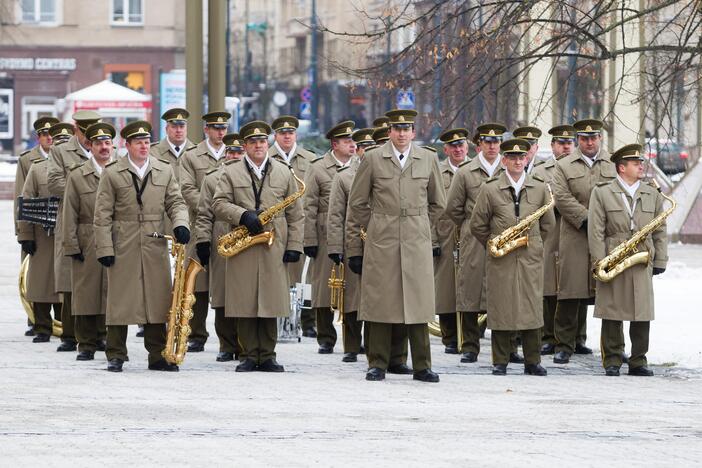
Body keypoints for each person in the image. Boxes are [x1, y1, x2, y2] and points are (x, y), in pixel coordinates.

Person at [346, 109, 446, 383]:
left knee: (418, 302)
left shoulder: (427, 158)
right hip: (383, 238)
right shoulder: (374, 158)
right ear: (389, 131)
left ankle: (422, 365)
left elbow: (439, 203)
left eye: (407, 129)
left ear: (414, 132)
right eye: (397, 129)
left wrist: (422, 226)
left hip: (416, 239)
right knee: (381, 301)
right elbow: (357, 203)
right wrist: (369, 231)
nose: (402, 134)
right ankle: (376, 363)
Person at [94, 120, 190, 373]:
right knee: (119, 299)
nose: (144, 146)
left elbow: (177, 202)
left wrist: (181, 224)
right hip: (123, 239)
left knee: (157, 299)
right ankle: (116, 354)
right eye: (139, 142)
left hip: (153, 239)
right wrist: (104, 248)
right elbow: (102, 215)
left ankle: (158, 355)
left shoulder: (164, 170)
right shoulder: (113, 172)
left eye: (147, 142)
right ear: (127, 145)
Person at [212, 121, 304, 372]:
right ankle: (249, 354)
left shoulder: (284, 172)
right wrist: (242, 215)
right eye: (252, 143)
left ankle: (268, 354)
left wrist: (295, 244)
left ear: (268, 143)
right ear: (245, 146)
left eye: (262, 142)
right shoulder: (230, 172)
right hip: (242, 243)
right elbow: (218, 203)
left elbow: (296, 214)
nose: (258, 146)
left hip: (273, 243)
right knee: (245, 300)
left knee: (271, 300)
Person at [469, 138, 555, 375]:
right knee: (501, 307)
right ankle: (500, 360)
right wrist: (497, 244)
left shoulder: (539, 187)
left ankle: (532, 361)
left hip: (530, 257)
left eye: (522, 157)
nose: (518, 161)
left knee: (532, 307)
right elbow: (478, 225)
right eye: (513, 158)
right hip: (501, 258)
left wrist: (534, 245)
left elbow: (548, 225)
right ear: (504, 160)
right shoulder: (490, 188)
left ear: (527, 159)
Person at [588, 143, 668, 377]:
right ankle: (612, 360)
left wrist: (660, 259)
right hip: (614, 254)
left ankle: (638, 360)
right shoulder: (602, 192)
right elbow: (596, 231)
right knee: (612, 310)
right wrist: (600, 261)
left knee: (641, 311)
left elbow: (660, 230)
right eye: (636, 163)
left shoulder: (652, 193)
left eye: (641, 162)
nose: (641, 166)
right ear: (622, 167)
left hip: (642, 256)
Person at [446, 123, 523, 364]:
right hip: (474, 237)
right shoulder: (466, 172)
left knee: (506, 291)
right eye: (487, 142)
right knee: (470, 290)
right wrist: (470, 225)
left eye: (496, 142)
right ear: (479, 144)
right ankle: (470, 345)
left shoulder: (508, 169)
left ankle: (509, 347)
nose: (492, 146)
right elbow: (453, 208)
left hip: (506, 236)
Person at [551, 119, 616, 364]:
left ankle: (610, 348)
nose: (590, 142)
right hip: (576, 233)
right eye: (585, 138)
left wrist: (603, 220)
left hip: (606, 235)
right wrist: (587, 219)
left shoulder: (612, 163)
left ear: (600, 138)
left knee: (609, 293)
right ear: (578, 139)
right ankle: (564, 344)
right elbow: (561, 197)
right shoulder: (564, 165)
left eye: (594, 137)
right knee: (570, 291)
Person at [48, 110, 102, 352]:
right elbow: (54, 183)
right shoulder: (61, 151)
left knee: (103, 279)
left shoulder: (107, 150)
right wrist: (83, 191)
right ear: (76, 130)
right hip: (74, 219)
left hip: (101, 222)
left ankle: (101, 333)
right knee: (72, 279)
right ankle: (69, 335)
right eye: (84, 132)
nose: (90, 139)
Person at [62, 122, 116, 361]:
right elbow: (69, 213)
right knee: (85, 291)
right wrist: (71, 245)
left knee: (111, 290)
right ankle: (85, 343)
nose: (104, 147)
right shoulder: (78, 175)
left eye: (107, 143)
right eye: (98, 143)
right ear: (90, 146)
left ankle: (105, 335)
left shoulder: (120, 171)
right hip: (86, 237)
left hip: (115, 238)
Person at [179, 111, 231, 353]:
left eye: (224, 128)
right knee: (197, 281)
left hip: (226, 225)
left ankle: (226, 340)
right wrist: (211, 203)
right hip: (199, 222)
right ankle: (196, 333)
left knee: (223, 284)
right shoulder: (191, 156)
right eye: (215, 128)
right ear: (206, 130)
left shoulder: (235, 152)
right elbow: (186, 188)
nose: (221, 132)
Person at [303, 120, 357, 354]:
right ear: (335, 144)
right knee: (324, 289)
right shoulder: (318, 168)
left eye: (353, 141)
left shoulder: (360, 166)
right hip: (325, 234)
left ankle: (353, 339)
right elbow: (309, 206)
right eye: (347, 142)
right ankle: (326, 337)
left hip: (353, 232)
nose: (352, 145)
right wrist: (309, 240)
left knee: (353, 288)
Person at [325, 127, 375, 363]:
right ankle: (352, 346)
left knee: (376, 297)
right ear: (357, 149)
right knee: (352, 299)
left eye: (371, 147)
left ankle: (375, 343)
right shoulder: (344, 176)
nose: (366, 151)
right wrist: (336, 248)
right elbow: (335, 215)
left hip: (378, 242)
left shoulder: (383, 173)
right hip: (353, 242)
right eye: (363, 147)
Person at [193, 133, 244, 362]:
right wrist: (203, 240)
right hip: (220, 239)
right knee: (222, 296)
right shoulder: (212, 179)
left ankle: (245, 344)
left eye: (238, 152)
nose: (234, 156)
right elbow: (203, 214)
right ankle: (226, 344)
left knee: (243, 294)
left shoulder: (252, 177)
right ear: (225, 154)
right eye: (231, 152)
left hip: (246, 241)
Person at [267, 115, 318, 337]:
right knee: (274, 273)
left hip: (300, 221)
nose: (287, 136)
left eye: (290, 133)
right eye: (282, 133)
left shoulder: (310, 159)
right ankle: (275, 319)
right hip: (274, 224)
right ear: (275, 135)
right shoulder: (266, 157)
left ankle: (307, 321)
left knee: (303, 275)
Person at [532, 125, 576, 355]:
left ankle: (577, 337)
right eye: (561, 143)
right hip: (551, 231)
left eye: (569, 142)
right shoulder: (541, 171)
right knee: (548, 286)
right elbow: (542, 198)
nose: (566, 146)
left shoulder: (581, 169)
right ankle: (548, 336)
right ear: (553, 146)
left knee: (575, 286)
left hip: (576, 232)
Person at [14, 116, 59, 336]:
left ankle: (63, 324)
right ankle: (37, 322)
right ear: (38, 138)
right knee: (37, 278)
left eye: (53, 134)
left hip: (60, 228)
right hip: (37, 227)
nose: (49, 138)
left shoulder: (68, 159)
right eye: (44, 134)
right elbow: (21, 197)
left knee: (61, 278)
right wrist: (23, 232)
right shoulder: (27, 160)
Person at [435, 128, 469, 354]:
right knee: (446, 288)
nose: (457, 149)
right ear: (446, 149)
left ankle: (470, 335)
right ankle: (449, 337)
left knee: (473, 285)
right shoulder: (437, 171)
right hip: (445, 234)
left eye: (461, 145)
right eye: (453, 146)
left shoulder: (475, 170)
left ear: (468, 148)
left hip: (471, 234)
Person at [149, 108, 196, 180]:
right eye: (174, 127)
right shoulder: (153, 152)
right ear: (166, 129)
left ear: (186, 128)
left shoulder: (197, 152)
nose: (178, 130)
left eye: (182, 127)